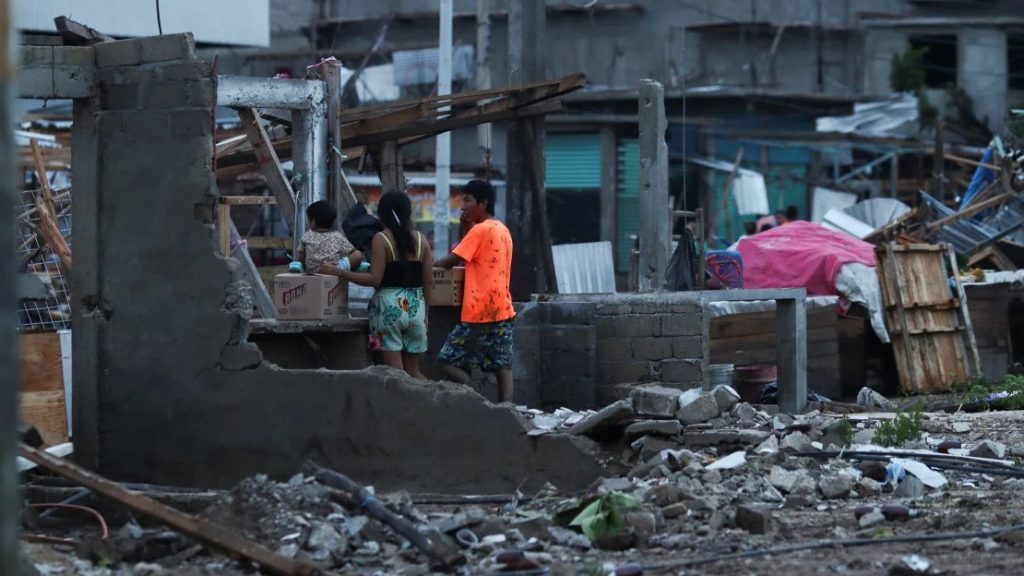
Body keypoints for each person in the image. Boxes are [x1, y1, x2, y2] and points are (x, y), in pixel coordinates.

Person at [322, 192, 433, 380]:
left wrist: (340, 273)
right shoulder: (421, 240)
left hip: (389, 308)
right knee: (413, 372)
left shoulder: (382, 239)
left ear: (382, 214)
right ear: (408, 212)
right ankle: (431, 406)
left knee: (396, 376)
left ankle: (399, 409)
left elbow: (375, 279)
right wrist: (426, 313)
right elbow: (429, 280)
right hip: (417, 308)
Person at [434, 180, 516, 403]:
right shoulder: (502, 229)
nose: (463, 206)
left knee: (446, 360)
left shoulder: (479, 230)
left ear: (483, 203)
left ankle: (475, 393)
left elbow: (450, 261)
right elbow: (479, 254)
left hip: (478, 311)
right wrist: (465, 229)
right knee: (502, 366)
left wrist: (429, 265)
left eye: (467, 200)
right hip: (502, 309)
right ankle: (507, 409)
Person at [291, 200, 363, 274]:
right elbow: (353, 251)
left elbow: (300, 257)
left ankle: (297, 267)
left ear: (313, 222)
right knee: (358, 255)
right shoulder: (337, 236)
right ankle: (354, 269)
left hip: (312, 272)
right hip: (334, 270)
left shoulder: (307, 236)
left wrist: (301, 265)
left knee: (297, 263)